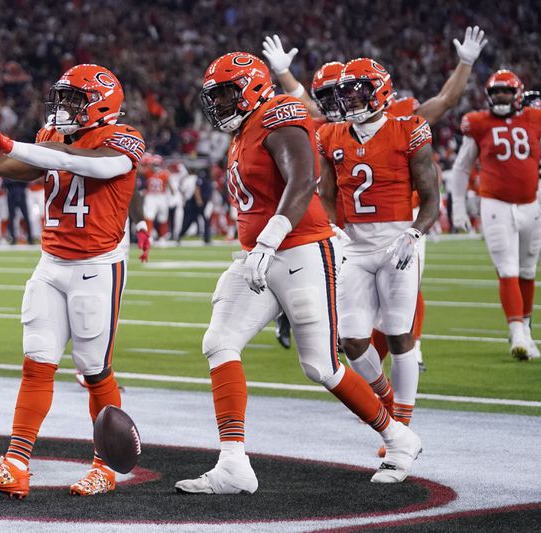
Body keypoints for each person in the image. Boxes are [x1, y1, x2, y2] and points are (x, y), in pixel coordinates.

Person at [175, 53, 422, 495]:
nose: (222, 103)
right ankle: (233, 463)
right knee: (219, 342)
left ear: (252, 87)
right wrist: (260, 246)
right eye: (217, 95)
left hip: (302, 249)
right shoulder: (244, 131)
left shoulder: (277, 114)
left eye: (228, 92)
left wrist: (269, 240)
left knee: (321, 366)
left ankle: (398, 437)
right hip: (258, 256)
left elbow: (303, 178)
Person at [0, 63, 147, 497]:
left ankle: (105, 467)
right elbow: (11, 165)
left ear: (101, 103)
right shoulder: (50, 137)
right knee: (36, 362)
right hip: (51, 262)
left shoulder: (123, 138)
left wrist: (14, 144)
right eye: (64, 97)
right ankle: (16, 463)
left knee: (94, 370)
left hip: (96, 267)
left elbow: (87, 166)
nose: (65, 107)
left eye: (75, 99)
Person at [264, 26, 487, 373]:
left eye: (348, 93)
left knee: (400, 297)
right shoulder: (334, 127)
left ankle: (408, 350)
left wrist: (465, 64)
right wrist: (283, 75)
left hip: (404, 216)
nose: (339, 102)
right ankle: (369, 365)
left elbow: (444, 102)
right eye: (335, 95)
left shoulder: (400, 118)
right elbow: (309, 107)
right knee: (352, 298)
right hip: (353, 224)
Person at [317, 58, 439, 462]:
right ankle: (385, 399)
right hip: (353, 243)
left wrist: (416, 231)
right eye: (345, 91)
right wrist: (332, 228)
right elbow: (329, 193)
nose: (349, 99)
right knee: (352, 341)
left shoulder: (409, 129)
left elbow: (431, 196)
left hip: (397, 240)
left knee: (401, 334)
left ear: (381, 91)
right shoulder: (331, 134)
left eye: (357, 91)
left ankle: (400, 425)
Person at [451, 70, 541, 360]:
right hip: (496, 204)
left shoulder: (534, 118)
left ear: (517, 94)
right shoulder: (478, 123)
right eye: (496, 92)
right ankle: (516, 332)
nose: (500, 96)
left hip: (531, 203)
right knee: (507, 268)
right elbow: (462, 167)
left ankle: (526, 330)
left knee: (528, 272)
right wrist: (458, 207)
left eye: (506, 91)